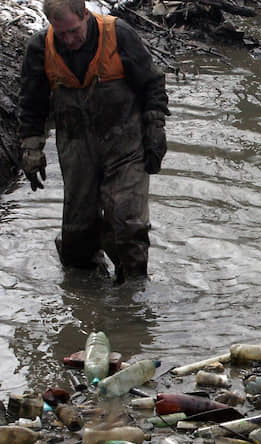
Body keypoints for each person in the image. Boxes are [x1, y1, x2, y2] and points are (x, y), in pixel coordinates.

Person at [18, 0, 169, 281]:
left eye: (74, 31)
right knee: (78, 234)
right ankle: (84, 299)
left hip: (125, 144)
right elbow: (32, 103)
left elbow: (152, 84)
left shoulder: (119, 34)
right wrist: (31, 147)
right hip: (76, 146)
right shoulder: (41, 47)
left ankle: (133, 296)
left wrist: (155, 127)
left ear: (85, 14)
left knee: (128, 225)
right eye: (61, 33)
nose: (69, 39)